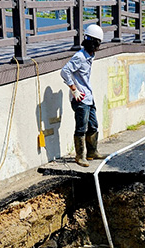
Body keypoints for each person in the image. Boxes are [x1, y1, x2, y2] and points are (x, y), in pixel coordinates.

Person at [61, 24, 106, 167]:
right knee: (81, 127)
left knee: (93, 125)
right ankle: (80, 156)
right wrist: (73, 89)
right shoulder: (80, 57)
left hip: (88, 97)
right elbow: (64, 71)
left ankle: (92, 152)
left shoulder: (90, 55)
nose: (97, 47)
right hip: (80, 99)